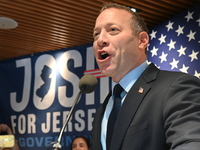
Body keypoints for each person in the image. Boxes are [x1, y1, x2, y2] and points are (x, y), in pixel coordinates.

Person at [91, 2, 200, 150]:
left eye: (113, 30)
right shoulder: (103, 110)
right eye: (96, 33)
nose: (100, 40)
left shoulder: (176, 88)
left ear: (142, 41)